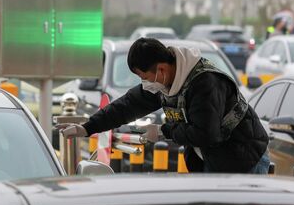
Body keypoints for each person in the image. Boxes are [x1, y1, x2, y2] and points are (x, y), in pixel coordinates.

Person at [58, 38, 270, 174]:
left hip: (244, 161)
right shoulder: (164, 83)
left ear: (161, 69)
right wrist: (88, 127)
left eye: (144, 76)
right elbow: (127, 105)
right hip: (217, 161)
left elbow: (207, 133)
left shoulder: (205, 83)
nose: (145, 83)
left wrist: (163, 130)